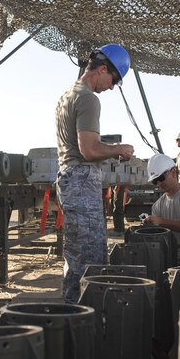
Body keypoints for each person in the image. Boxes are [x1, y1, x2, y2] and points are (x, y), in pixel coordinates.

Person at [55, 44, 135, 303]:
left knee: (76, 256)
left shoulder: (67, 95)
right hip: (80, 180)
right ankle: (84, 321)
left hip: (70, 179)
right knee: (91, 259)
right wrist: (117, 149)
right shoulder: (89, 98)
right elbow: (88, 150)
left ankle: (71, 315)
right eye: (113, 80)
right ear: (102, 70)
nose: (111, 87)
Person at [141, 152, 180, 262]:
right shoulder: (157, 206)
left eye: (161, 178)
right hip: (169, 253)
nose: (159, 183)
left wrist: (160, 221)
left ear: (174, 172)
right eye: (155, 181)